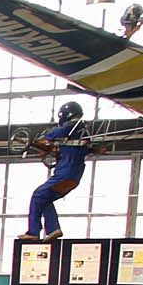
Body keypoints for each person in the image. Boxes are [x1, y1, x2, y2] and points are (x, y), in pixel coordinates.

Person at [19, 101, 93, 241]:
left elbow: (52, 135)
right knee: (45, 199)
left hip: (64, 174)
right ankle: (53, 229)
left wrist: (45, 136)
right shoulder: (83, 133)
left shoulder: (71, 127)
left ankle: (33, 232)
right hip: (75, 177)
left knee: (37, 195)